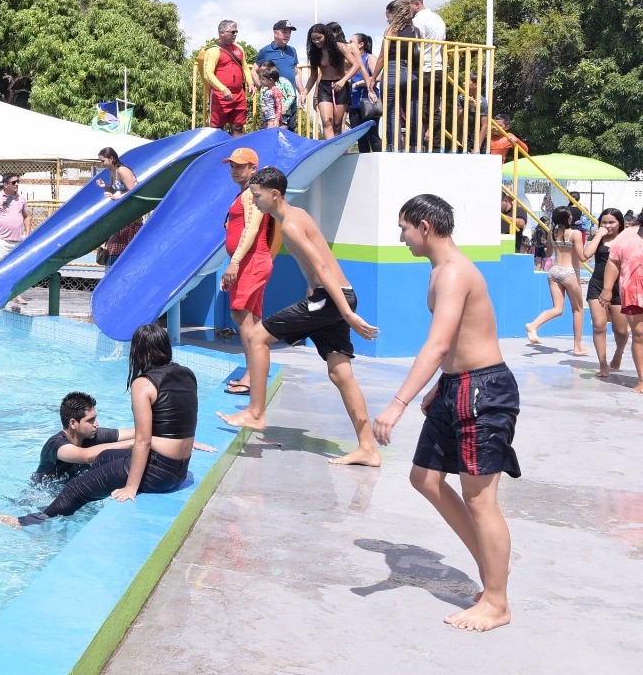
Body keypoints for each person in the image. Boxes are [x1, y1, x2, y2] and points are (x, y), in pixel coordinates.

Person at [373, 194, 518, 632]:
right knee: (425, 477)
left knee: (479, 497)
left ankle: (496, 601)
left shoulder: (454, 273)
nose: (402, 238)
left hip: (484, 390)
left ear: (425, 226)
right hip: (457, 386)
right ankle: (491, 563)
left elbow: (437, 344)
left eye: (404, 229)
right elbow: (457, 343)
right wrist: (441, 386)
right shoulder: (440, 271)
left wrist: (396, 404)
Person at [219, 166, 382, 466]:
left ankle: (256, 412)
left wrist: (347, 314)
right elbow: (316, 268)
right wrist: (317, 295)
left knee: (256, 337)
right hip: (330, 297)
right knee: (340, 373)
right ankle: (368, 448)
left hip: (331, 300)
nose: (253, 202)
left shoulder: (292, 224)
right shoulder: (297, 216)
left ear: (275, 194)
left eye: (257, 196)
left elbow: (321, 267)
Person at [0, 323, 198, 527]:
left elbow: (143, 440)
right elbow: (176, 425)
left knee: (76, 487)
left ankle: (26, 522)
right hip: (179, 470)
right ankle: (95, 494)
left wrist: (130, 487)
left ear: (138, 351)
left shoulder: (143, 383)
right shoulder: (187, 374)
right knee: (104, 457)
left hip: (159, 474)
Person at [218, 148, 273, 396]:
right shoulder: (244, 193)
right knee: (253, 321)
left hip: (250, 260)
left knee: (242, 317)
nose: (234, 170)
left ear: (253, 168)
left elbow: (251, 229)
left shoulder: (252, 193)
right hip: (250, 260)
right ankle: (256, 374)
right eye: (232, 166)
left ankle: (251, 378)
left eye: (240, 166)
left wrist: (235, 262)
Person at [525, 206, 587, 353]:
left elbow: (549, 253)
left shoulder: (551, 233)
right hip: (570, 272)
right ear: (569, 218)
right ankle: (577, 347)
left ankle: (533, 325)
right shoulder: (575, 233)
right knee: (578, 310)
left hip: (554, 271)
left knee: (557, 309)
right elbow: (583, 257)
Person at [26, 392, 127, 483]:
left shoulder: (91, 435)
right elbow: (85, 456)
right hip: (42, 494)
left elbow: (136, 433)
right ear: (73, 423)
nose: (96, 423)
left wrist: (141, 440)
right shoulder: (56, 444)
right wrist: (133, 443)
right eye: (90, 420)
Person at [583, 208, 629, 377]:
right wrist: (598, 234)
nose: (608, 226)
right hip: (597, 285)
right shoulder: (599, 239)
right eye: (604, 222)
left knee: (622, 331)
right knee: (599, 325)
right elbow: (585, 255)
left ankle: (618, 353)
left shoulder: (625, 239)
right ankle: (603, 363)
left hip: (619, 287)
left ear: (620, 224)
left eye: (612, 222)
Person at [369, 0, 420, 151]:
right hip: (411, 73)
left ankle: (394, 147)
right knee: (413, 112)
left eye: (388, 15)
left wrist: (373, 78)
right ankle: (415, 146)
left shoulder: (391, 30)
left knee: (392, 112)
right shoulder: (416, 31)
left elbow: (383, 56)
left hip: (392, 71)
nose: (387, 19)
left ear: (394, 13)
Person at [600, 215, 643, 393]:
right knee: (640, 333)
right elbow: (613, 261)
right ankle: (642, 379)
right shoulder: (627, 236)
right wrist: (607, 289)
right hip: (635, 291)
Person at [306, 21, 367, 137]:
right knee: (326, 122)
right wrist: (304, 92)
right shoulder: (314, 52)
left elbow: (356, 65)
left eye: (319, 38)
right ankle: (330, 151)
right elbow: (314, 75)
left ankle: (340, 151)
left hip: (341, 87)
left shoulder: (340, 47)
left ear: (326, 35)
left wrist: (343, 80)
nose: (316, 41)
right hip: (324, 87)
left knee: (337, 124)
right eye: (313, 39)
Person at [405, 0, 448, 151]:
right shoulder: (438, 18)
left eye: (407, 6)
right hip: (438, 68)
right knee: (434, 110)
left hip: (424, 69)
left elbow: (416, 46)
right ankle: (435, 146)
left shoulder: (418, 20)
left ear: (416, 4)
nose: (406, 10)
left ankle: (417, 145)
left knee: (418, 109)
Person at [202, 19, 252, 136]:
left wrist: (250, 83)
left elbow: (245, 67)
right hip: (220, 95)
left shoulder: (239, 49)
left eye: (236, 32)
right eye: (232, 32)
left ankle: (237, 152)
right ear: (222, 32)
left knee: (238, 126)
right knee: (217, 129)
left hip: (238, 94)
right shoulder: (214, 51)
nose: (235, 35)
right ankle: (218, 153)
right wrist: (223, 89)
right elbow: (208, 73)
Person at [0, 174, 32, 309]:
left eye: (17, 182)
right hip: (2, 240)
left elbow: (27, 216)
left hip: (18, 241)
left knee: (17, 269)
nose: (16, 185)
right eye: (13, 182)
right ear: (5, 184)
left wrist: (27, 233)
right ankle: (0, 294)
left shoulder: (21, 198)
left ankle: (17, 294)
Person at [253, 19, 301, 131]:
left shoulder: (292, 50)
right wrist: (260, 86)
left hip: (289, 98)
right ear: (275, 33)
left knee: (290, 129)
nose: (287, 35)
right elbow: (254, 70)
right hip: (272, 99)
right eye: (284, 32)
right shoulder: (265, 51)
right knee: (271, 127)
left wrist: (302, 91)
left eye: (289, 33)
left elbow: (296, 73)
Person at [345, 32, 381, 153]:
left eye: (351, 42)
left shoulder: (369, 58)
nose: (349, 44)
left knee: (372, 135)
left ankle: (378, 160)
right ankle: (363, 162)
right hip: (354, 101)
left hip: (368, 101)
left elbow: (378, 77)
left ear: (361, 45)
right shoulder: (350, 60)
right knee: (359, 137)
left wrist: (359, 83)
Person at [257, 62, 288, 128]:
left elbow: (279, 106)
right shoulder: (265, 90)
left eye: (262, 79)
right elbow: (264, 105)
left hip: (272, 118)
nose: (260, 80)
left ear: (270, 80)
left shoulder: (275, 90)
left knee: (271, 135)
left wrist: (277, 119)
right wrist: (263, 119)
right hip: (266, 118)